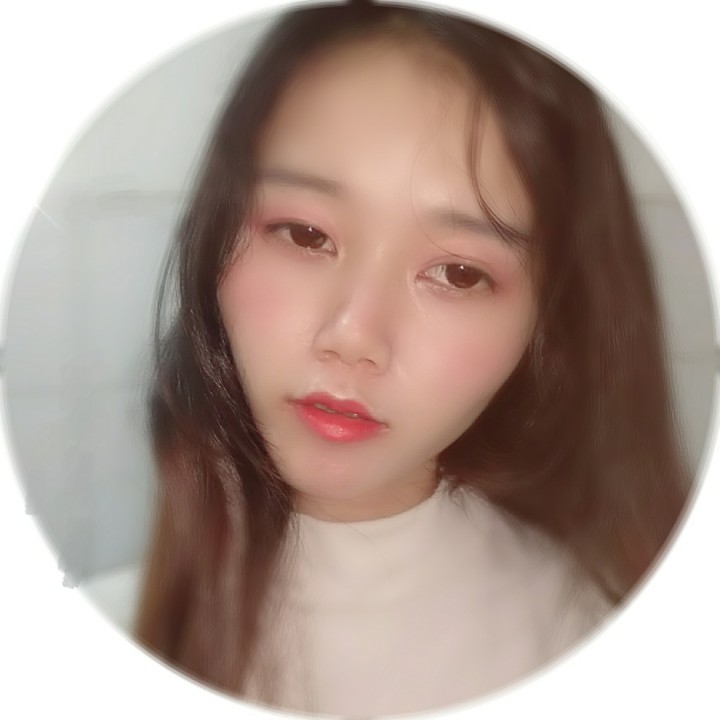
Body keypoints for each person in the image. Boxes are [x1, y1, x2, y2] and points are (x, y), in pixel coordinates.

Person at [132, 1, 690, 716]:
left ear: (545, 326)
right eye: (304, 234)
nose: (353, 336)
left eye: (458, 274)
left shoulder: (579, 641)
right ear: (215, 239)